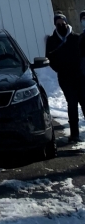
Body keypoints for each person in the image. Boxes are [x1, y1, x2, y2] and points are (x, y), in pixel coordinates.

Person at [47, 12, 85, 142]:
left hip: (80, 76)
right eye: (58, 23)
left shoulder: (76, 38)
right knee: (72, 104)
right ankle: (74, 134)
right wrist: (60, 69)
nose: (60, 25)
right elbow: (50, 58)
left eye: (62, 23)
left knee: (84, 103)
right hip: (65, 78)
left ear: (66, 23)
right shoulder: (52, 41)